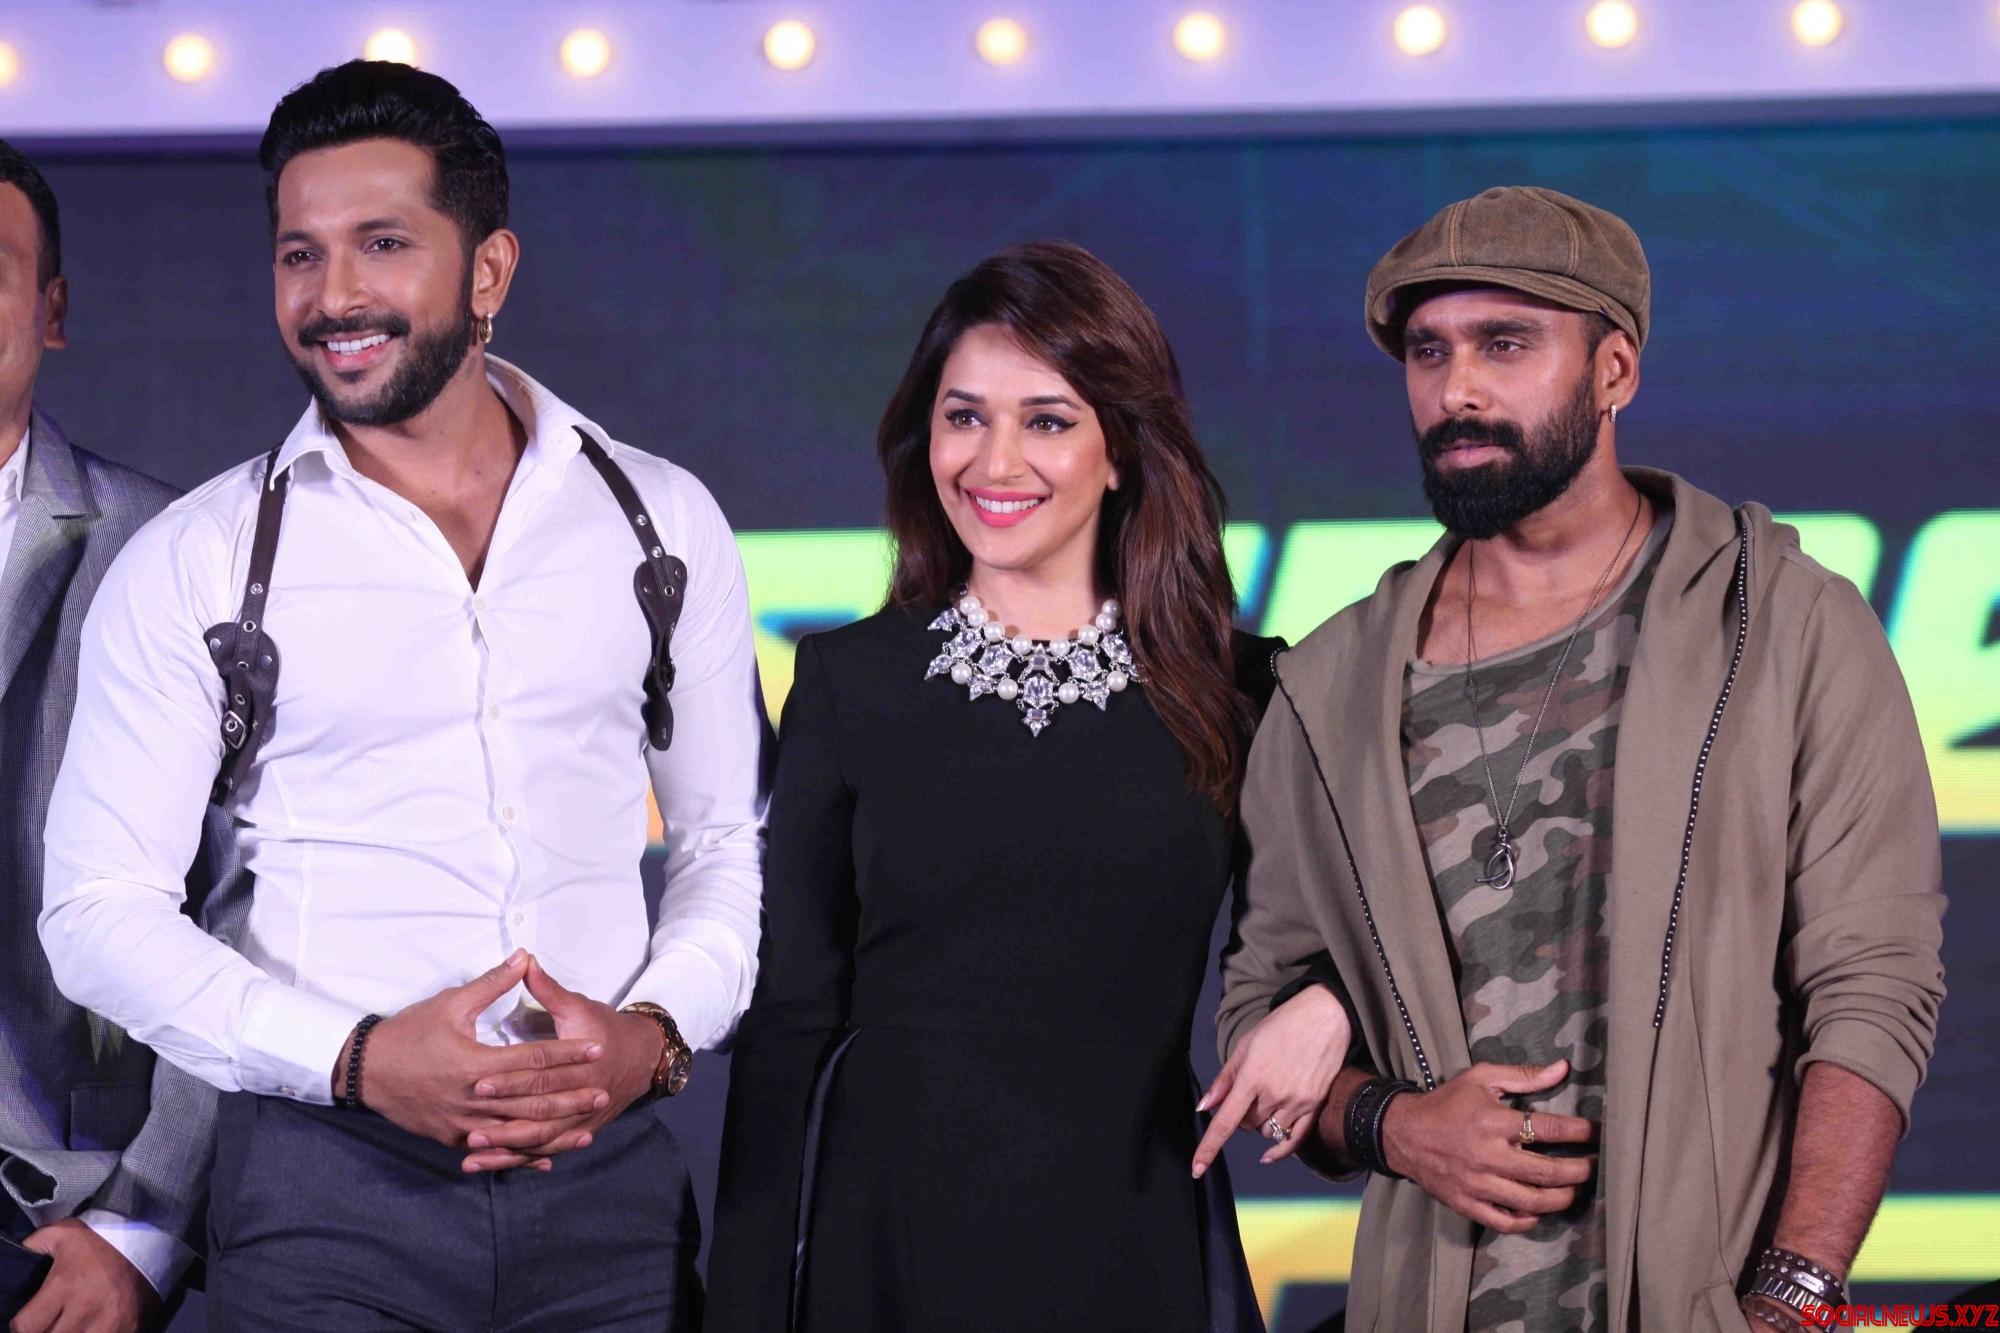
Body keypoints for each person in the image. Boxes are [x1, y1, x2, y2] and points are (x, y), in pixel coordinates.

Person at [39, 62, 769, 1330]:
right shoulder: (199, 559)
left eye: (383, 244)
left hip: (609, 1201)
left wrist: (651, 1037)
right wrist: (357, 1060)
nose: (334, 296)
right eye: (299, 253)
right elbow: (97, 911)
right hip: (323, 1198)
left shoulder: (660, 521)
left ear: (489, 271)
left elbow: (726, 843)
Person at [1213, 186, 1945, 1332]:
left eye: (1504, 344)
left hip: (1704, 1301)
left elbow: (1871, 986)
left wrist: (1791, 1297)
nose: (1456, 388)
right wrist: (1393, 1125)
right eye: (1427, 351)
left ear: (1614, 370)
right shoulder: (1330, 686)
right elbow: (1259, 1013)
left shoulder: (1785, 627)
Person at [706, 241, 1344, 1332]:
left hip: (1130, 1234)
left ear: (1120, 450)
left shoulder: (1241, 690)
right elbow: (789, 1028)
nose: (994, 461)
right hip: (885, 1247)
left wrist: (1330, 1001)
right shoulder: (850, 683)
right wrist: (746, 1305)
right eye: (964, 417)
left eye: (1046, 420)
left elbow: (1346, 928)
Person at [0, 138, 236, 1333]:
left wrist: (144, 1228)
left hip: (47, 1229)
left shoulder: (164, 552)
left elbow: (241, 910)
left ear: (52, 311)